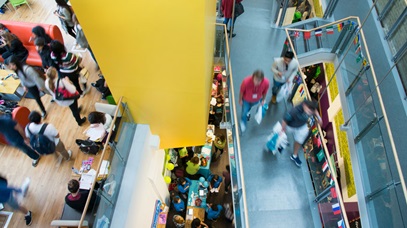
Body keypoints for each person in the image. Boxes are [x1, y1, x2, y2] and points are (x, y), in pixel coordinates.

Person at [281, 100, 322, 167]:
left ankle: (294, 155)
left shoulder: (310, 108)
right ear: (304, 105)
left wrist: (319, 118)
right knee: (280, 135)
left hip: (301, 126)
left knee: (299, 140)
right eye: (309, 111)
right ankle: (280, 142)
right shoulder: (294, 111)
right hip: (290, 125)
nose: (309, 113)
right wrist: (282, 129)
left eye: (310, 112)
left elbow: (314, 110)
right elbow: (285, 120)